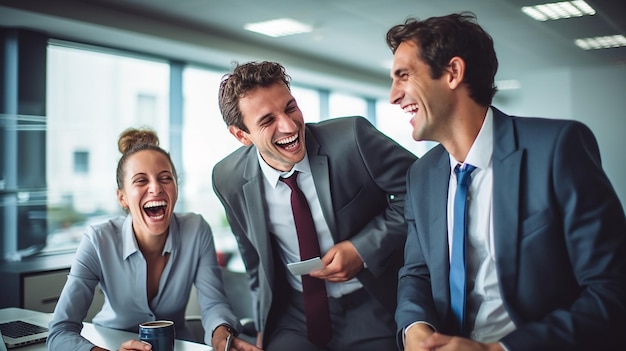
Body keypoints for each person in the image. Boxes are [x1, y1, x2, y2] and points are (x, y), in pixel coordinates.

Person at [386, 12, 626, 351]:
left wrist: (497, 350)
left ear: (453, 72)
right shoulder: (421, 174)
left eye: (404, 76)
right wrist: (415, 328)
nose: (393, 96)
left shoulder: (557, 149)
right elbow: (416, 273)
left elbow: (611, 290)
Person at [212, 61, 417, 350]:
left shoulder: (353, 139)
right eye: (267, 120)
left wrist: (363, 248)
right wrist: (263, 325)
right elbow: (254, 260)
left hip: (371, 304)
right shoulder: (227, 178)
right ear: (241, 135)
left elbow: (423, 193)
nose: (288, 125)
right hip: (294, 316)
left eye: (290, 107)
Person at [47, 128, 262, 351]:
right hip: (110, 344)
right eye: (141, 181)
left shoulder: (196, 230)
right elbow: (60, 331)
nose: (156, 188)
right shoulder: (98, 240)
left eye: (165, 178)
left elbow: (214, 304)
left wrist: (222, 340)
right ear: (122, 197)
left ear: (176, 188)